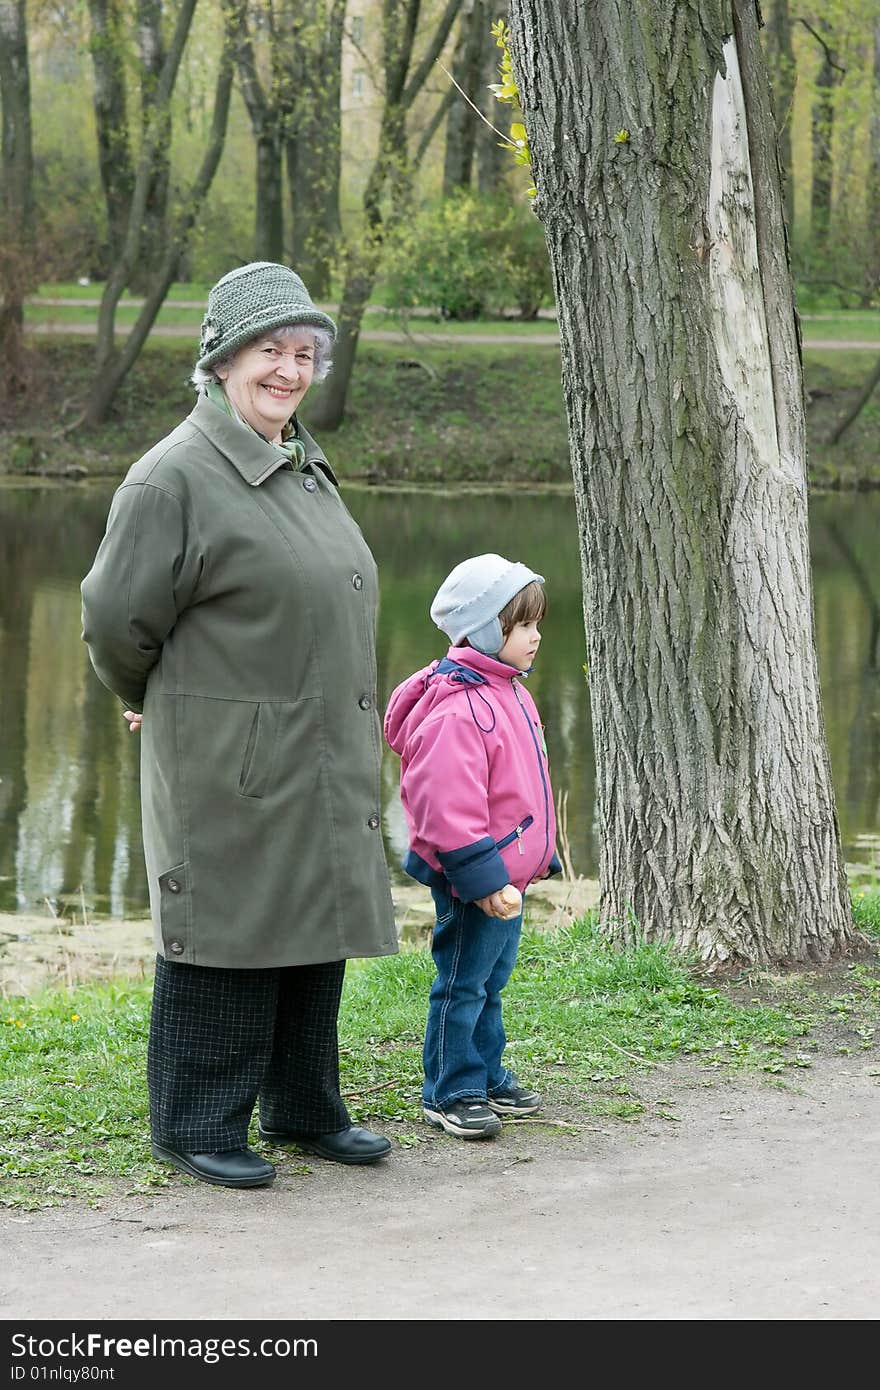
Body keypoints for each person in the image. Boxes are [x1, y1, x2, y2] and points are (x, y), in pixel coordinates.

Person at [81, 261, 398, 1189]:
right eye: (272, 350)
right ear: (223, 359)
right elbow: (113, 620)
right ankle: (196, 1122)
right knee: (227, 927)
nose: (291, 371)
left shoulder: (300, 463)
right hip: (228, 752)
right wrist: (154, 695)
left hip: (318, 745)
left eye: (305, 354)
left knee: (314, 916)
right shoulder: (172, 477)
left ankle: (305, 1108)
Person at [384, 554, 562, 1140]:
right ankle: (451, 1087)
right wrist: (484, 880)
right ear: (488, 631)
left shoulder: (508, 691)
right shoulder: (460, 709)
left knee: (492, 979)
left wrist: (536, 853)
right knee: (463, 981)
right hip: (473, 881)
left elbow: (519, 787)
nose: (536, 636)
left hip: (505, 879)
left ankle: (486, 1072)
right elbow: (447, 809)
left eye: (536, 623)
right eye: (523, 625)